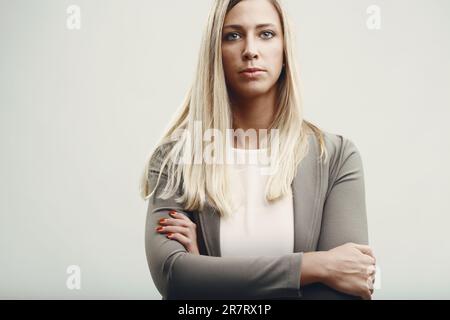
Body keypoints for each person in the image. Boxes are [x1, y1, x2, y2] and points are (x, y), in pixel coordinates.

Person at [140, 0, 376, 300]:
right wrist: (313, 266)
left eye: (266, 34)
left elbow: (345, 289)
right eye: (233, 35)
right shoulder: (177, 159)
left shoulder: (335, 156)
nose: (250, 50)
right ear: (215, 53)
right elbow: (175, 277)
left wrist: (209, 277)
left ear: (285, 50)